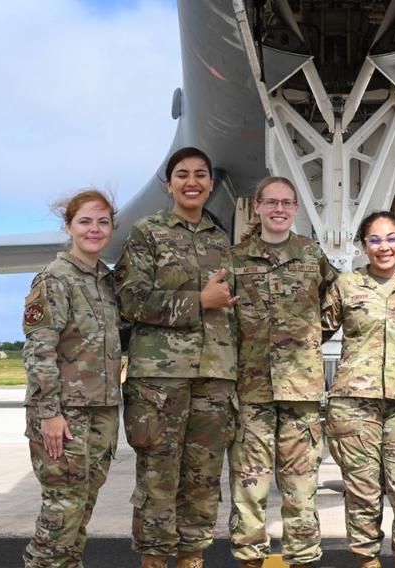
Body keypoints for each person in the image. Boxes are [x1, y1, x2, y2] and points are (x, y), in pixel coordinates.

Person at [115, 147, 238, 568]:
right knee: (159, 478)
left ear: (210, 184)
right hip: (159, 381)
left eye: (200, 174)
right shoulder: (146, 233)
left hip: (214, 377)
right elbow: (130, 300)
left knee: (203, 480)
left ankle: (192, 560)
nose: (192, 181)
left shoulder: (222, 241)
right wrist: (197, 302)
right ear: (168, 185)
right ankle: (153, 560)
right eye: (182, 174)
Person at [228, 176, 338, 568]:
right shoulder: (236, 259)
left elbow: (335, 304)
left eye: (286, 203)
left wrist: (308, 339)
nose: (278, 209)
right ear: (256, 206)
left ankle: (303, 559)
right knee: (249, 488)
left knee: (301, 488)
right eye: (270, 202)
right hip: (251, 391)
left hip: (300, 394)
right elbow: (223, 316)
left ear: (295, 209)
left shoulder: (311, 254)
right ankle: (250, 560)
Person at [321, 211, 395, 568]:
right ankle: (367, 561)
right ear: (363, 246)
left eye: (390, 239)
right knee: (362, 496)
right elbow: (314, 332)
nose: (383, 247)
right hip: (355, 405)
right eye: (374, 240)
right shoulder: (347, 286)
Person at [22, 189, 122, 567]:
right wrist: (49, 413)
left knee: (81, 509)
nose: (94, 229)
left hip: (101, 413)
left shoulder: (105, 282)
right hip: (65, 416)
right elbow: (38, 350)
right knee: (61, 511)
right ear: (69, 227)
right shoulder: (54, 279)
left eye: (102, 222)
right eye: (85, 221)